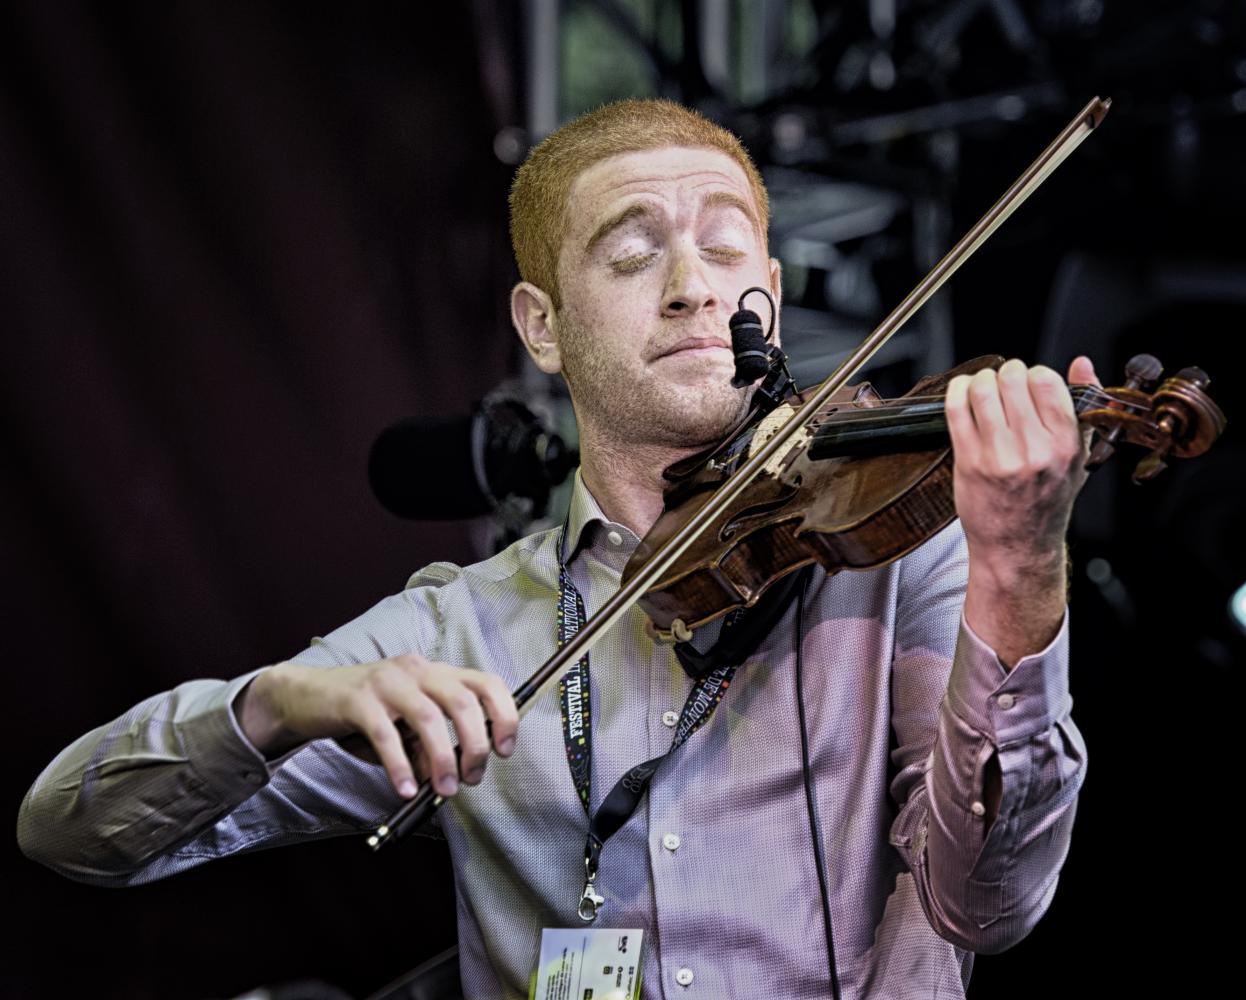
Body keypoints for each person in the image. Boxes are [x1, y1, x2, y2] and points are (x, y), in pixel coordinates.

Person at [18, 99, 1091, 999]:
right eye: (632, 254)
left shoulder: (901, 558)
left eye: (725, 249)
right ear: (542, 327)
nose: (692, 286)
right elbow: (73, 830)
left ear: (767, 279)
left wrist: (1020, 569)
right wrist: (276, 703)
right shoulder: (464, 627)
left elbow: (985, 904)